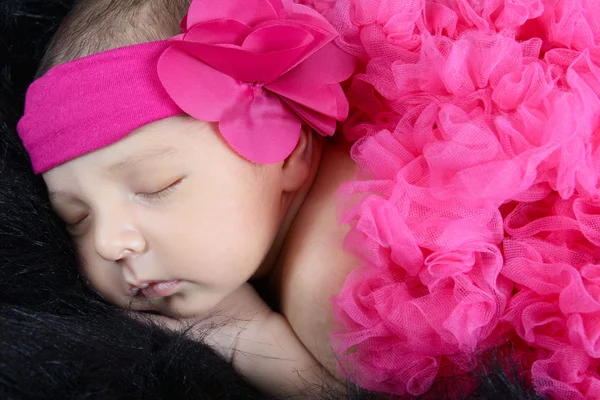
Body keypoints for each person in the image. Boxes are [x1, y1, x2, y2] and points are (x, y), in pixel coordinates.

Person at [17, 0, 600, 399]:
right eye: (75, 218)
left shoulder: (342, 292)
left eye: (157, 188)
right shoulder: (383, 142)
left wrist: (255, 342)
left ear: (286, 149)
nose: (109, 241)